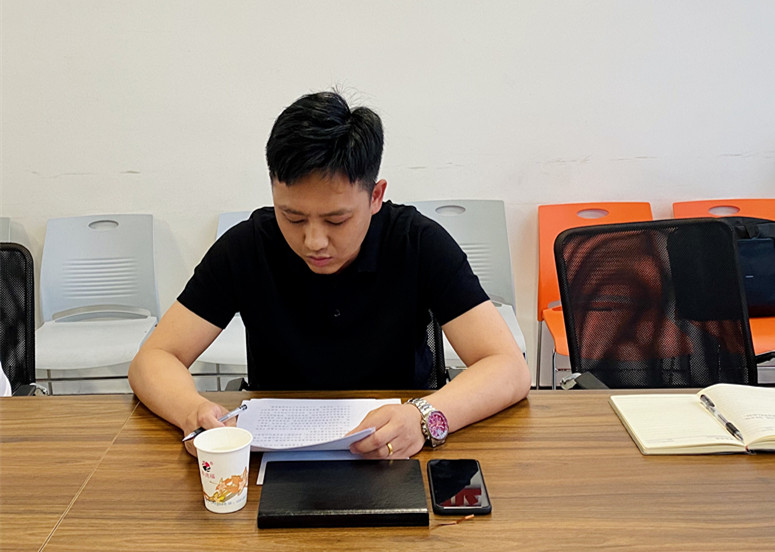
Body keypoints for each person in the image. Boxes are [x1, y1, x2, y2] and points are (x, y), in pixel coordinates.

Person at [128, 91, 530, 458]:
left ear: (375, 196)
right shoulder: (247, 247)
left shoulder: (418, 242)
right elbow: (154, 358)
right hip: (279, 455)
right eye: (293, 217)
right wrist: (192, 410)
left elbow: (508, 368)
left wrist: (424, 415)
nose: (314, 241)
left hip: (395, 449)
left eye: (337, 220)